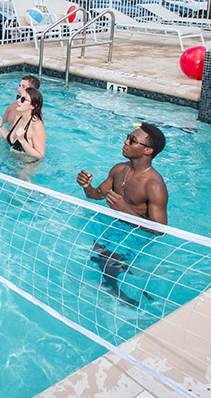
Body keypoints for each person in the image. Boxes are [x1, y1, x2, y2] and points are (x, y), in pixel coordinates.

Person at [76, 123, 169, 306]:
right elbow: (97, 195)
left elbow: (160, 230)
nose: (125, 142)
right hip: (113, 222)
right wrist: (87, 186)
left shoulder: (154, 185)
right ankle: (122, 275)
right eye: (128, 137)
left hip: (137, 232)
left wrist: (125, 211)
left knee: (108, 263)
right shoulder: (119, 169)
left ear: (148, 150)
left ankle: (119, 293)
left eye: (132, 141)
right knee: (97, 255)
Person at [0, 86, 45, 158]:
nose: (18, 100)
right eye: (18, 97)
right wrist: (0, 126)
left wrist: (22, 140)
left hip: (27, 166)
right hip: (12, 161)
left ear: (33, 106)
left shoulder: (36, 125)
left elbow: (40, 155)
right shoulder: (18, 117)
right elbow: (11, 140)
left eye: (23, 99)